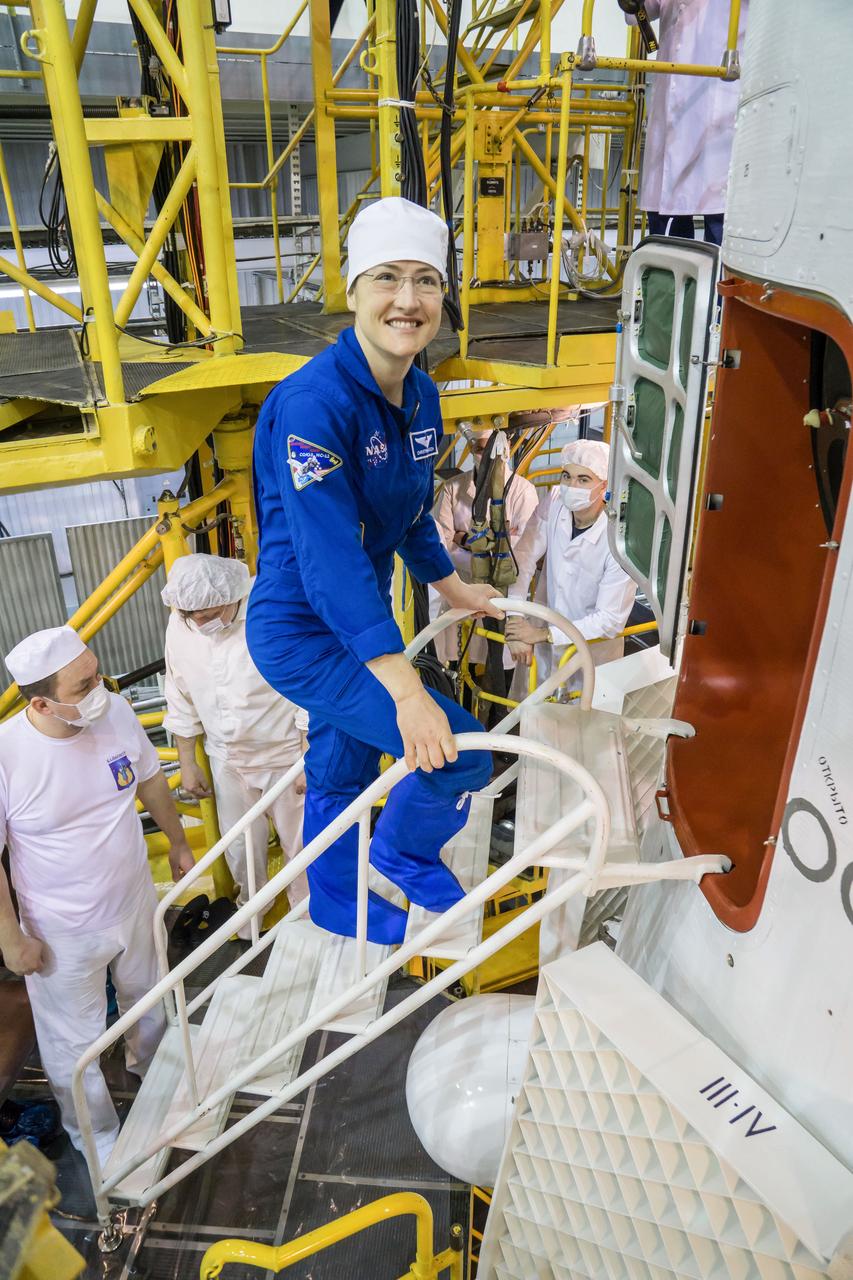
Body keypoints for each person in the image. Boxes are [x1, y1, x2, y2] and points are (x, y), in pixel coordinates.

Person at [247, 196, 503, 946]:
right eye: (387, 277)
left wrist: (453, 587)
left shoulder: (420, 394)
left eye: (426, 281)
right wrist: (408, 692)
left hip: (358, 624)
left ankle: (333, 899)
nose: (407, 300)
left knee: (340, 765)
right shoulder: (312, 407)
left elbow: (409, 513)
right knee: (460, 754)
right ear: (353, 289)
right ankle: (401, 851)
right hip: (305, 634)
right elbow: (329, 563)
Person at [0, 626, 194, 1163]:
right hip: (61, 929)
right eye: (83, 686)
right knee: (73, 1042)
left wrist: (178, 841)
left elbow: (149, 779)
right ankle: (97, 1136)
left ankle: (155, 1072)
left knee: (148, 1000)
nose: (100, 690)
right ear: (41, 703)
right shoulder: (8, 755)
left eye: (96, 673)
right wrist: (12, 940)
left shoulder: (115, 713)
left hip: (133, 901)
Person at [161, 553, 309, 924]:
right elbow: (179, 693)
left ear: (234, 597)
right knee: (240, 847)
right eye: (191, 617)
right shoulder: (181, 622)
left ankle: (308, 917)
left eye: (210, 615)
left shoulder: (271, 609)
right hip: (225, 757)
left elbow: (306, 686)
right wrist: (187, 763)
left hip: (284, 754)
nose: (201, 624)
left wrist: (310, 757)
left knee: (302, 846)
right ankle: (252, 914)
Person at [505, 440, 636, 686]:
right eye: (567, 476)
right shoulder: (555, 501)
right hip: (545, 645)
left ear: (604, 486)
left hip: (592, 654)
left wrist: (544, 634)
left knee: (583, 707)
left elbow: (610, 619)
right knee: (536, 705)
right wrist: (514, 619)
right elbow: (523, 558)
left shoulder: (619, 538)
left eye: (583, 479)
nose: (571, 486)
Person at [632, 0, 749, 246]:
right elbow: (640, 11)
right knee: (667, 237)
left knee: (721, 223)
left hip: (720, 100)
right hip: (670, 106)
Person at [431, 425, 539, 667]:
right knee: (458, 658)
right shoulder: (452, 488)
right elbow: (444, 540)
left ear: (507, 449)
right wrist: (493, 540)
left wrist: (464, 539)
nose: (488, 455)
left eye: (494, 449)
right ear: (471, 450)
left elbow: (520, 547)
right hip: (461, 585)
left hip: (503, 589)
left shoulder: (523, 491)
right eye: (481, 449)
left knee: (497, 659)